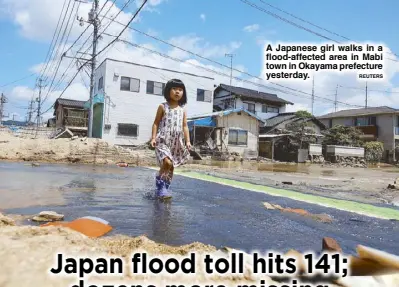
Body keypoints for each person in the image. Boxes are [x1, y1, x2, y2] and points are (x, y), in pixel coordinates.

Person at [150, 79, 191, 199]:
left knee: (171, 166)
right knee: (167, 162)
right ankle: (160, 185)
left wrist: (187, 141)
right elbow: (156, 123)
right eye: (174, 89)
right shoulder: (163, 106)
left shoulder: (182, 110)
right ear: (168, 91)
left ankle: (165, 188)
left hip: (176, 142)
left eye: (180, 90)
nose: (177, 92)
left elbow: (185, 126)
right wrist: (153, 138)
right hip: (163, 139)